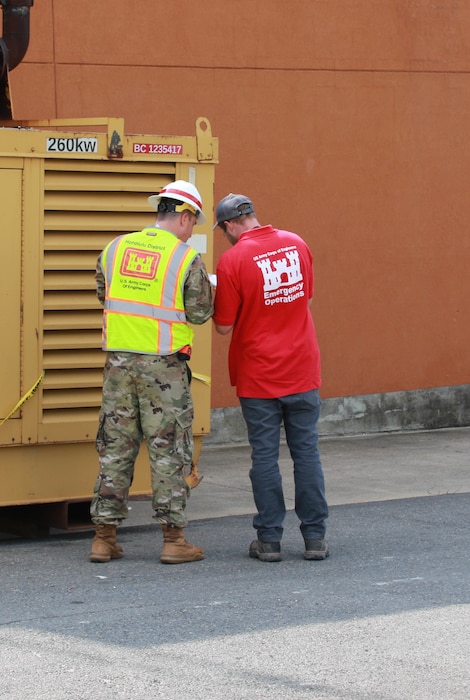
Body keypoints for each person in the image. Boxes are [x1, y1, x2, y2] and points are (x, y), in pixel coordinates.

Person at [89, 180, 214, 565]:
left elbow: (101, 292)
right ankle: (174, 540)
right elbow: (198, 313)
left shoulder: (115, 248)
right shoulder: (184, 258)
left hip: (119, 367)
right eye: (193, 223)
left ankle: (103, 538)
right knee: (168, 451)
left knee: (116, 447)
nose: (192, 231)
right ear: (184, 216)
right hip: (164, 369)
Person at [210, 193, 329, 563]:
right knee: (306, 453)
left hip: (259, 374)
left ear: (230, 225)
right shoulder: (297, 244)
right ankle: (314, 539)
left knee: (264, 456)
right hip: (302, 368)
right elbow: (305, 300)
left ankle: (270, 540)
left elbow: (224, 327)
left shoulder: (232, 260)